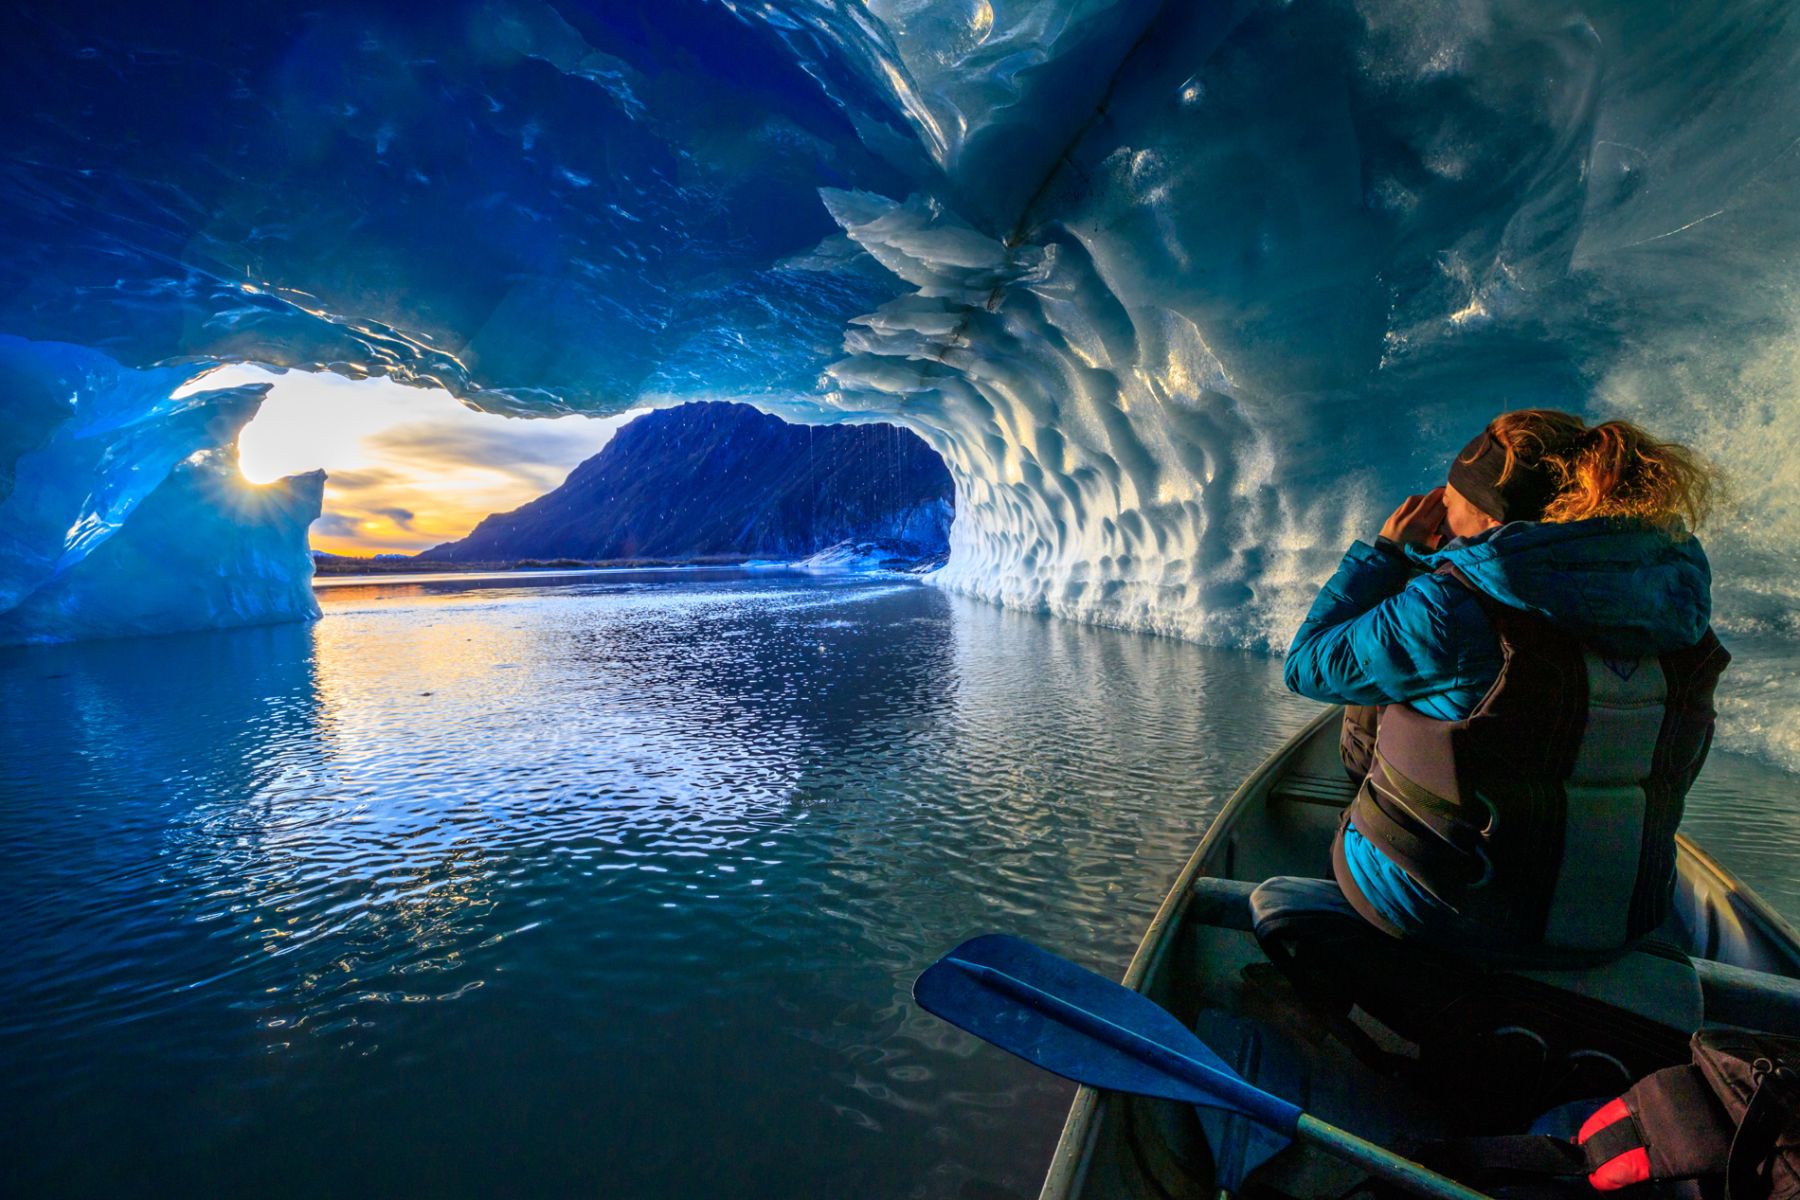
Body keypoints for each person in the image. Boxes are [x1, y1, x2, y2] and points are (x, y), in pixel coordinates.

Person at [1282, 409, 1729, 962]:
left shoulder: (1451, 609)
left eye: (1448, 499)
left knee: (1374, 693)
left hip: (1447, 909)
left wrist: (1388, 555)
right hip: (1618, 920)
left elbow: (1307, 664)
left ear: (1489, 517)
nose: (1438, 509)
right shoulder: (1678, 607)